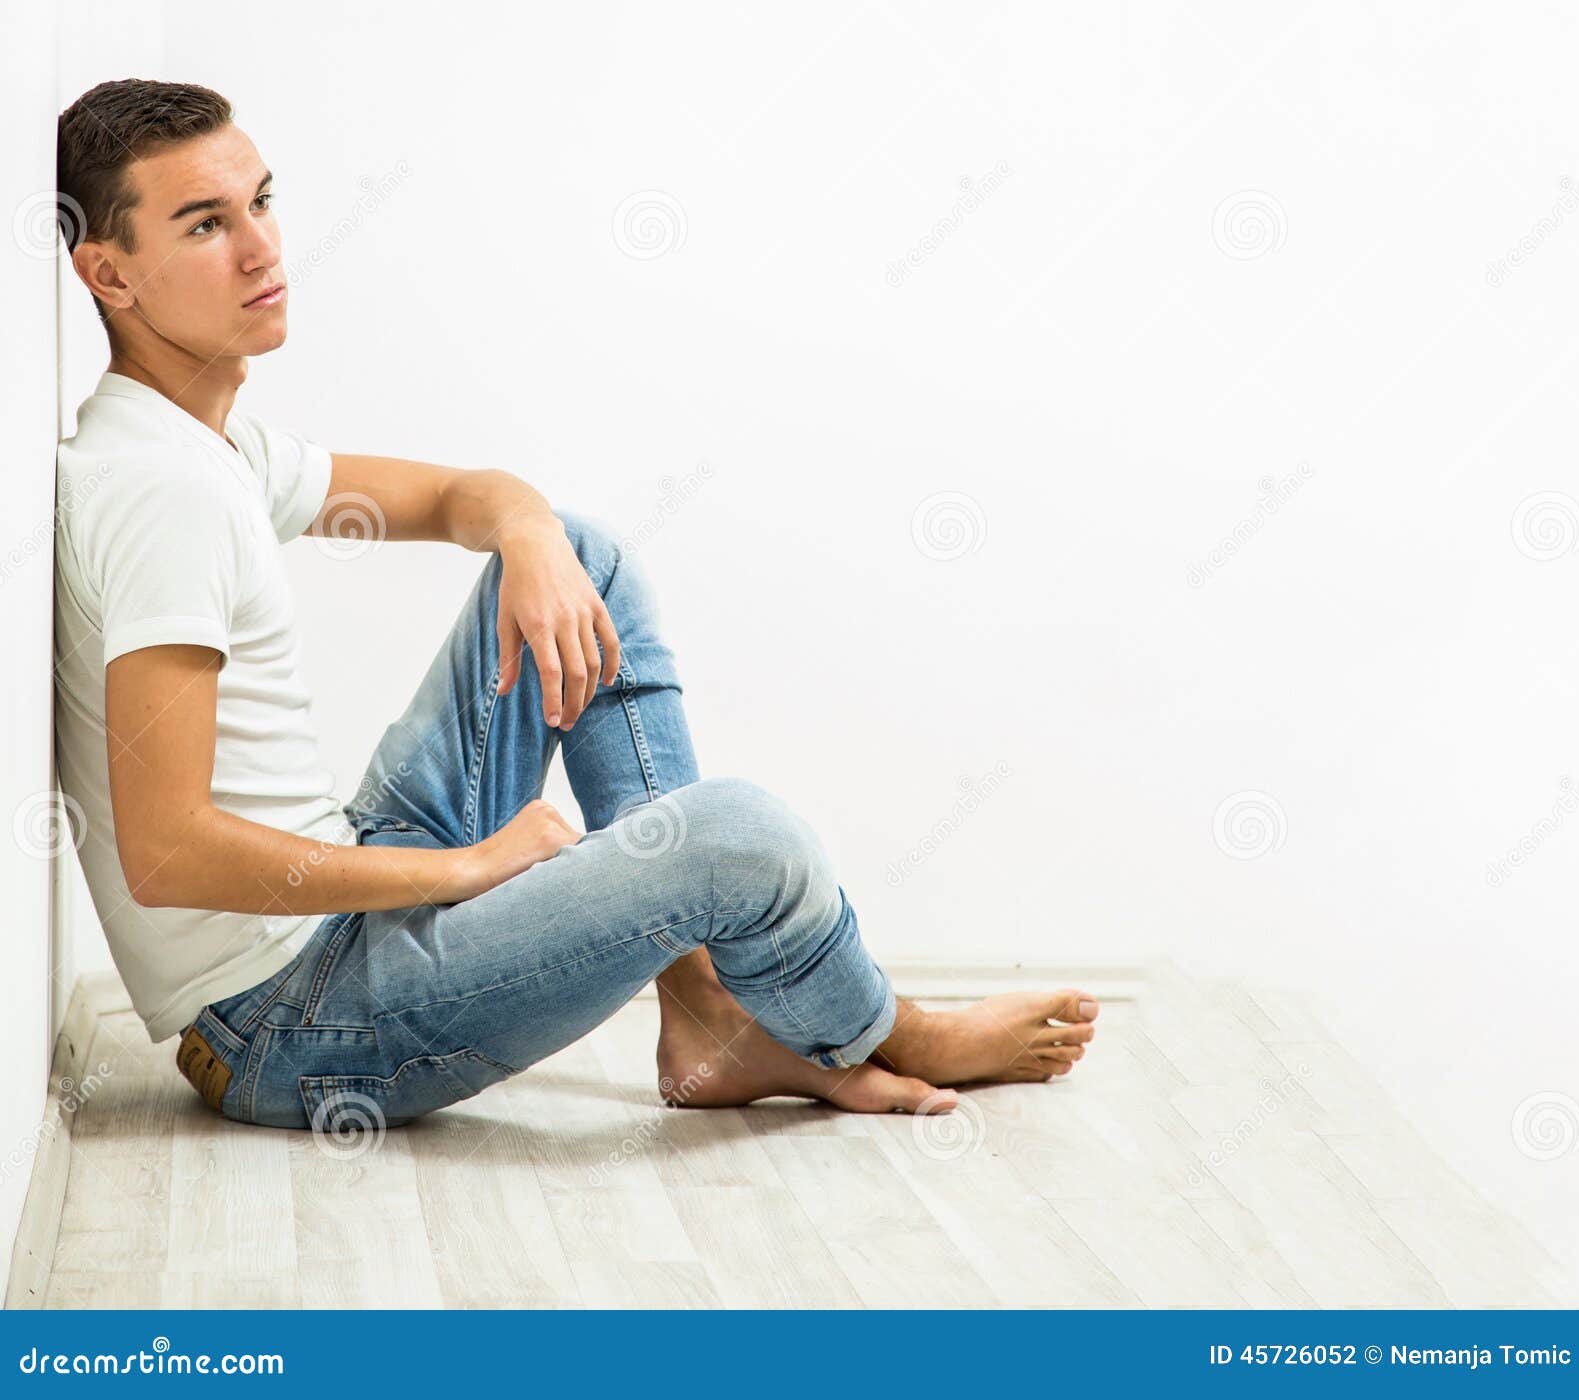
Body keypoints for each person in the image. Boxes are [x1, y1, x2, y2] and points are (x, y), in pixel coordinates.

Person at [52, 78, 1098, 1135]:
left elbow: (473, 499)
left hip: (335, 926)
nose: (262, 249)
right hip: (286, 1020)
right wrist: (466, 866)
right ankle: (886, 1027)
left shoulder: (207, 448)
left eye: (261, 203)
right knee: (741, 836)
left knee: (574, 557)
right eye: (203, 225)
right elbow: (168, 848)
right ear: (110, 273)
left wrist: (527, 533)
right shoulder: (164, 495)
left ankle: (707, 1009)